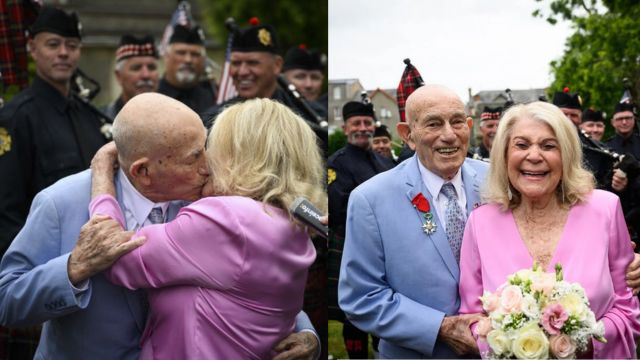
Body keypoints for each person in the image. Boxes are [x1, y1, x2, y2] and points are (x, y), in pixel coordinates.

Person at [0, 93, 320, 359]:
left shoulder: (211, 204)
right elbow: (7, 298)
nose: (208, 165)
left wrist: (306, 333)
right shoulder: (61, 202)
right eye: (194, 157)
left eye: (206, 147)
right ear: (144, 172)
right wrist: (71, 270)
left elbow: (260, 284)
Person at [458, 101, 640, 358]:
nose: (534, 156)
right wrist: (509, 346)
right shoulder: (480, 223)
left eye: (548, 146)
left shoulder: (605, 210)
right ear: (504, 155)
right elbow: (472, 317)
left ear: (565, 156)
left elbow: (627, 310)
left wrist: (578, 340)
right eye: (521, 145)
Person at [338, 85, 488, 358]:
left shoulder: (497, 181)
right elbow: (361, 297)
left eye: (457, 122)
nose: (449, 135)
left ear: (469, 126)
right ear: (408, 135)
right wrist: (439, 327)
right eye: (433, 123)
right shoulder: (371, 199)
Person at [0, 6, 111, 256]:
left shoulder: (90, 117)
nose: (63, 53)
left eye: (71, 46)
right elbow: (6, 213)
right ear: (32, 48)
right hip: (44, 264)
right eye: (53, 44)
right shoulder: (15, 119)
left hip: (97, 258)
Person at [328, 101, 395, 358]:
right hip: (353, 249)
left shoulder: (384, 162)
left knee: (385, 307)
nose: (363, 128)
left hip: (388, 250)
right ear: (345, 128)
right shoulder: (336, 164)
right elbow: (338, 210)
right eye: (356, 123)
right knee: (356, 313)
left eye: (367, 123)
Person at [201, 19, 327, 149]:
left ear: (277, 65)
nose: (242, 72)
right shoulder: (213, 120)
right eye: (236, 63)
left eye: (253, 63)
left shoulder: (310, 115)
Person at [552, 89, 615, 189]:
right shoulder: (539, 142)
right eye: (564, 114)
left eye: (574, 115)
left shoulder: (596, 150)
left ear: (580, 118)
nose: (568, 119)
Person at [158, 24, 216, 114]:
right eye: (181, 53)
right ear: (166, 57)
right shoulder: (153, 93)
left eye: (195, 54)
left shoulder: (214, 95)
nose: (188, 60)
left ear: (203, 60)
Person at [103, 34, 159, 119]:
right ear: (119, 76)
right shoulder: (99, 121)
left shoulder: (174, 118)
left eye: (151, 67)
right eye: (136, 68)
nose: (146, 75)